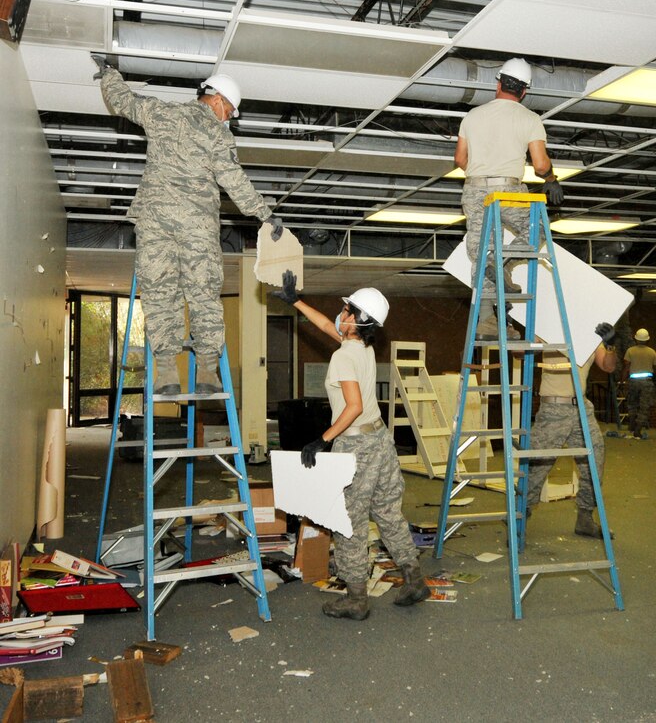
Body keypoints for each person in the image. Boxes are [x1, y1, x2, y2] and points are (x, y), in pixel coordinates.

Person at [91, 55, 283, 395]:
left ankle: (166, 373)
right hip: (196, 226)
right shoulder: (216, 134)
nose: (230, 120)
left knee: (159, 291)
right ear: (219, 101)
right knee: (203, 292)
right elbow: (234, 180)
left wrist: (109, 73)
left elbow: (122, 101)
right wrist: (265, 215)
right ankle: (208, 371)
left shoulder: (163, 112)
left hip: (155, 222)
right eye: (230, 112)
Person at [273, 270, 429, 620]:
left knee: (350, 521)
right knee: (388, 513)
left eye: (346, 309)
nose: (339, 313)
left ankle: (356, 598)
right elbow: (329, 329)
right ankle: (414, 578)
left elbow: (353, 406)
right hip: (380, 441)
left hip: (356, 444)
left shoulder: (344, 356)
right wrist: (295, 301)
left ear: (356, 318)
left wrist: (321, 439)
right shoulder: (361, 346)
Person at [454, 57, 563, 340]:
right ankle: (504, 266)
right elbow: (539, 165)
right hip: (508, 191)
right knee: (537, 229)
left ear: (498, 83)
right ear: (524, 91)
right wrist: (551, 179)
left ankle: (488, 318)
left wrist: (481, 175)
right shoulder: (529, 119)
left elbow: (460, 159)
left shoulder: (472, 116)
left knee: (482, 254)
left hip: (475, 190)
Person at [526, 322, 617, 538]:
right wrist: (510, 322)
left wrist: (611, 345)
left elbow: (608, 366)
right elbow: (521, 352)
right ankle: (520, 518)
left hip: (582, 409)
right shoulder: (548, 329)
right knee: (538, 466)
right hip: (553, 409)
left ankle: (585, 519)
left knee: (594, 463)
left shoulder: (589, 335)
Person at [622, 328, 656, 438]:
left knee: (632, 403)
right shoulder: (652, 352)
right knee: (644, 406)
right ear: (647, 340)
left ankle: (631, 424)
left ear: (636, 338)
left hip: (633, 380)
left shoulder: (630, 351)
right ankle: (638, 429)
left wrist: (622, 380)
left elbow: (626, 367)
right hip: (647, 381)